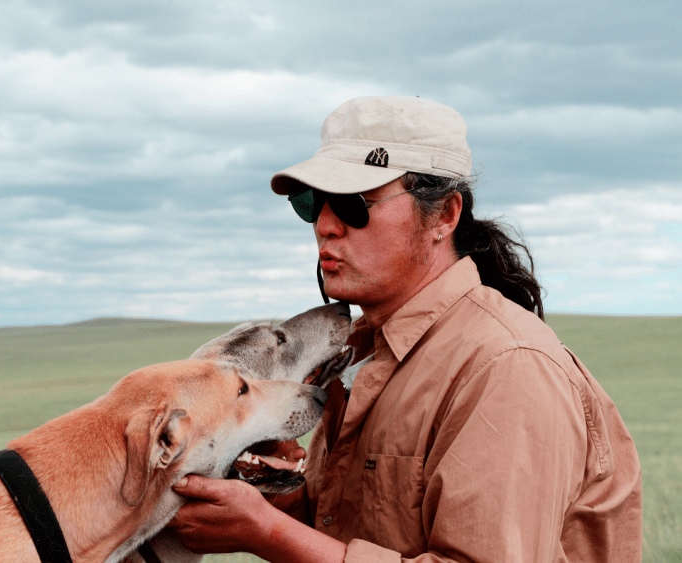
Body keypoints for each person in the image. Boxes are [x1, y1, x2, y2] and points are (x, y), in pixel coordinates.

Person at [168, 96, 642, 562]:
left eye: (354, 203)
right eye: (311, 203)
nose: (326, 225)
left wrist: (268, 533)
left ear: (444, 215)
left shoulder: (506, 367)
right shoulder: (362, 351)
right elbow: (343, 527)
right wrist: (275, 489)